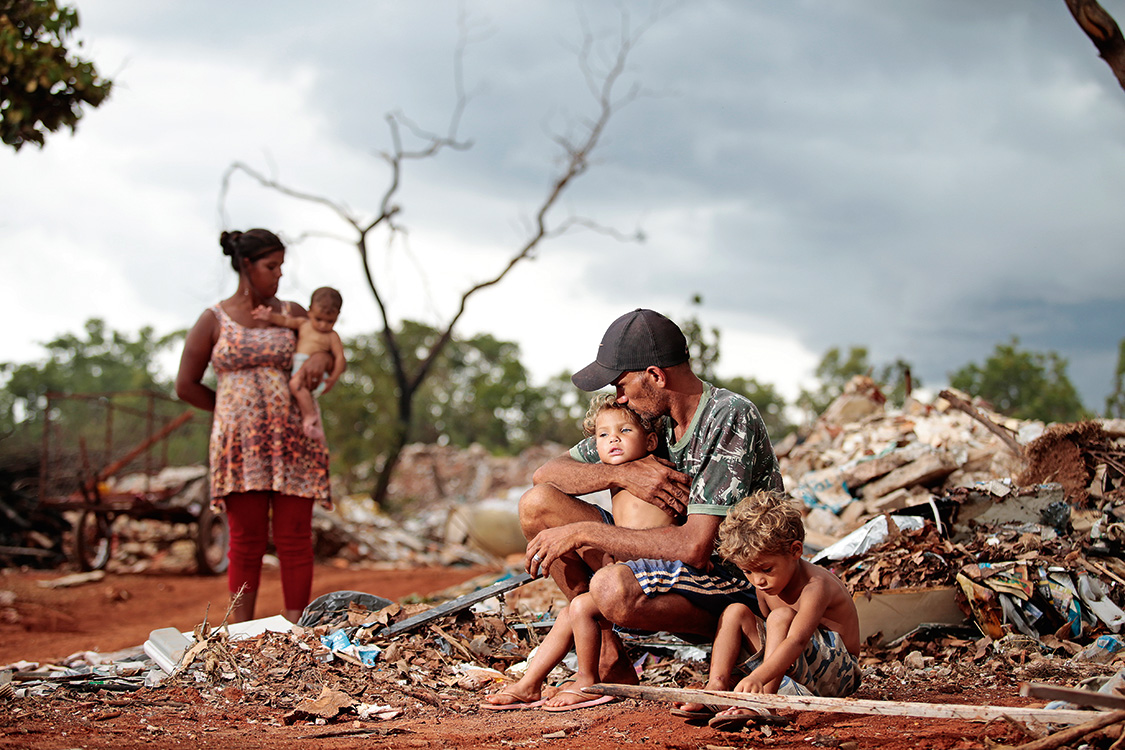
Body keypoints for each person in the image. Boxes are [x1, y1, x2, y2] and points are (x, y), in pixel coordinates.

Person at [520, 308, 784, 688]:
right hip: (663, 565)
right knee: (536, 503)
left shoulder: (728, 416)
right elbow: (545, 474)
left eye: (621, 385)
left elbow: (695, 547)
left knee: (611, 588)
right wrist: (620, 472)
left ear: (656, 376)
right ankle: (610, 658)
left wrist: (584, 533)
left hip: (730, 581)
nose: (619, 398)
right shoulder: (649, 417)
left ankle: (735, 647)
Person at [176, 228, 331, 624]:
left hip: (293, 441)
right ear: (246, 266)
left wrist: (319, 361)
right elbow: (186, 384)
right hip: (240, 446)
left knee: (294, 539)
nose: (279, 274)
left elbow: (326, 345)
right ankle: (240, 634)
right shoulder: (213, 320)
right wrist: (229, 412)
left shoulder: (294, 313)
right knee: (245, 541)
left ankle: (297, 631)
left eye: (281, 266)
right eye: (271, 266)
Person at [483, 395, 674, 711]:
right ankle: (530, 684)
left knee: (580, 608)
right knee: (572, 611)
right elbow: (545, 474)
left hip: (652, 569)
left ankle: (588, 678)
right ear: (594, 447)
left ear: (651, 440)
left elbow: (657, 536)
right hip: (624, 557)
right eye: (603, 435)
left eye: (625, 431)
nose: (613, 439)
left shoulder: (656, 470)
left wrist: (616, 557)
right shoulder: (617, 463)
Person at [674, 490, 861, 731]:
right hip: (798, 671)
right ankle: (716, 691)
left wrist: (758, 678)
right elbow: (770, 640)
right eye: (748, 572)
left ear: (795, 551)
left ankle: (766, 703)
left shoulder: (816, 586)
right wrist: (744, 678)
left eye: (766, 569)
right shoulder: (766, 586)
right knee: (735, 612)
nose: (758, 581)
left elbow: (795, 640)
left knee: (780, 617)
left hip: (839, 675)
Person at [252, 286, 346, 442]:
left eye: (330, 321)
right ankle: (308, 419)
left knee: (295, 385)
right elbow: (285, 320)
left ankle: (310, 416)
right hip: (299, 364)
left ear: (337, 316)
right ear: (310, 311)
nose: (323, 325)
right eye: (318, 319)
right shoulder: (304, 324)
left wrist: (333, 378)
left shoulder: (332, 336)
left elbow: (340, 358)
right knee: (297, 387)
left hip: (312, 373)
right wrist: (268, 316)